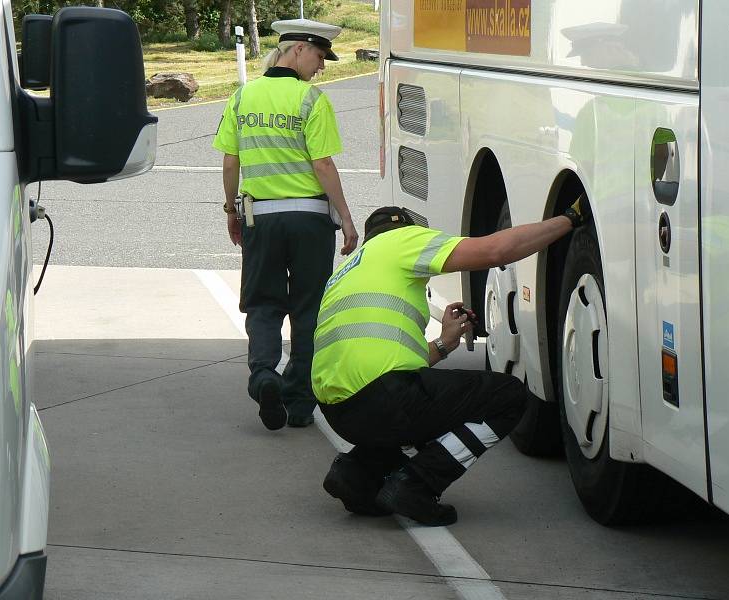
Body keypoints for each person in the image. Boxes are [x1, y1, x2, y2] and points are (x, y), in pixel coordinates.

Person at [312, 200, 589, 525]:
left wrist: (444, 344)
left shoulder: (346, 272)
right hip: (382, 399)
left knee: (417, 407)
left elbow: (387, 361)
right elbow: (496, 251)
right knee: (507, 397)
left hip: (339, 409)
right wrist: (570, 219)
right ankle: (416, 485)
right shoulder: (403, 241)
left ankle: (355, 473)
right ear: (408, 232)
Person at [213, 18, 358, 431]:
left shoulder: (242, 98)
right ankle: (298, 402)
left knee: (263, 303)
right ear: (297, 50)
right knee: (309, 308)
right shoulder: (312, 100)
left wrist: (231, 212)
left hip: (262, 218)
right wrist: (346, 218)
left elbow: (230, 160)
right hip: (310, 222)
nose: (322, 67)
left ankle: (263, 378)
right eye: (319, 56)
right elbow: (323, 164)